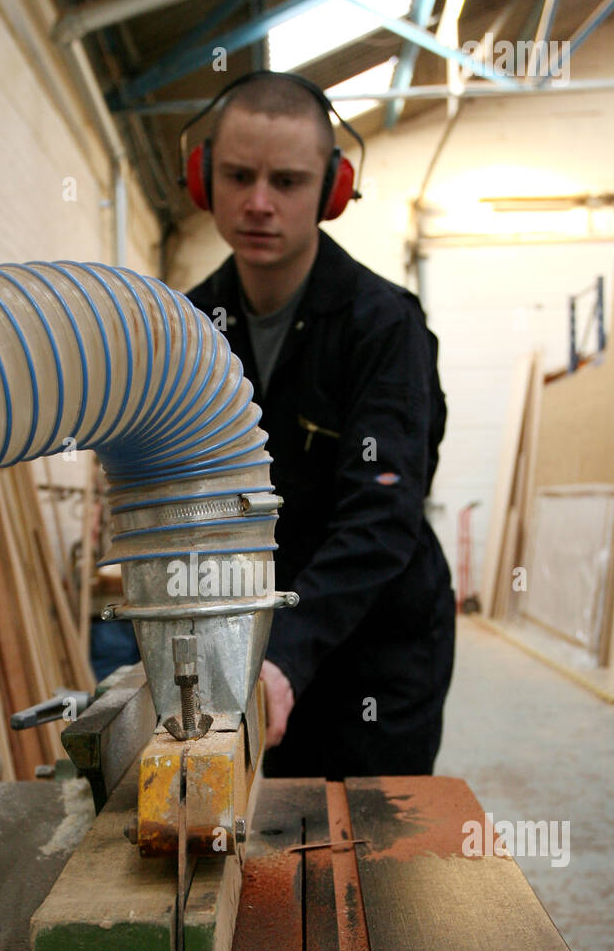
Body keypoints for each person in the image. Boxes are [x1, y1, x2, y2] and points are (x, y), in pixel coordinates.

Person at [182, 70, 455, 779]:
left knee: (369, 854)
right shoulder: (184, 327)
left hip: (375, 650)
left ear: (333, 190)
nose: (260, 203)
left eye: (289, 181)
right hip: (256, 651)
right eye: (239, 175)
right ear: (202, 177)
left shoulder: (383, 326)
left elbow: (382, 516)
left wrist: (285, 651)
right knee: (265, 849)